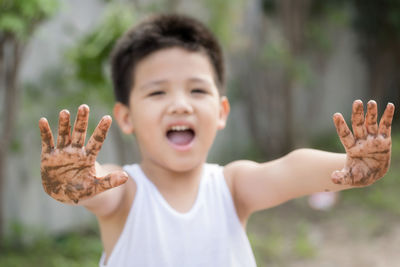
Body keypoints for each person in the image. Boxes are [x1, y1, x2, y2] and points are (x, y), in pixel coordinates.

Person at [38, 14, 395, 267]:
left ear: (222, 111)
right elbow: (100, 187)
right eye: (157, 92)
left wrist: (350, 166)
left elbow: (289, 169)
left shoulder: (232, 186)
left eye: (196, 89)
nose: (180, 104)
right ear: (126, 117)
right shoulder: (124, 192)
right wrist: (77, 182)